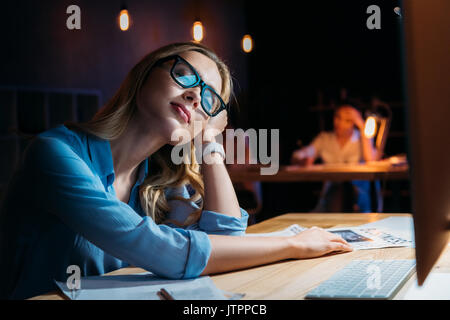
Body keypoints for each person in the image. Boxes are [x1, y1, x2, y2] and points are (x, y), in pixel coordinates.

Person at [0, 42, 352, 299]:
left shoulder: (157, 181)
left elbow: (225, 245)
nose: (196, 97)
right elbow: (157, 248)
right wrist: (291, 244)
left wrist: (209, 142)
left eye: (210, 99)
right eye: (186, 75)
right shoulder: (56, 152)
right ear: (144, 74)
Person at [291, 104, 379, 212]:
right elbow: (297, 155)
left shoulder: (363, 138)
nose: (340, 123)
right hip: (330, 197)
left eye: (347, 120)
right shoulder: (325, 139)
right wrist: (302, 160)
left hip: (358, 197)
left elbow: (370, 159)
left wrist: (362, 125)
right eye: (338, 117)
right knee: (338, 191)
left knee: (345, 189)